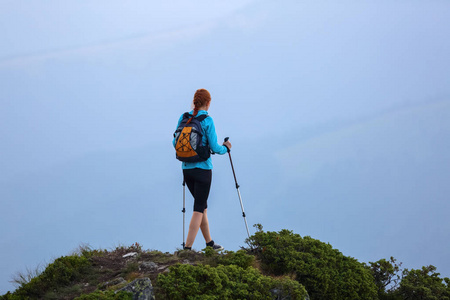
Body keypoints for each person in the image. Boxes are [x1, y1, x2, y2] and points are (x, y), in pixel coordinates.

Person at [173, 89, 232, 251]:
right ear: (208, 102)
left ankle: (209, 243)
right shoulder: (207, 120)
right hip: (203, 170)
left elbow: (175, 143)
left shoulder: (184, 118)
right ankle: (187, 249)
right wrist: (226, 148)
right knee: (199, 208)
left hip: (186, 168)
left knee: (202, 205)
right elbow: (214, 147)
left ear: (194, 102)